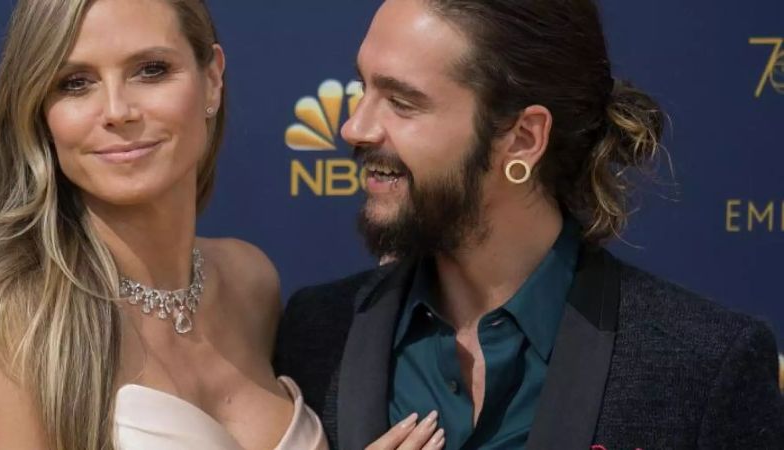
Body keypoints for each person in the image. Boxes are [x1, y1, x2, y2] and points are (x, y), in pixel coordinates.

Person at [274, 0, 784, 449]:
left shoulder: (701, 366)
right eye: (362, 88)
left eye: (402, 103)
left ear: (522, 138)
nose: (354, 127)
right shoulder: (316, 331)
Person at [0, 0, 329, 448]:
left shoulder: (251, 281)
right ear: (41, 112)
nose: (116, 110)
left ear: (211, 81)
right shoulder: (18, 314)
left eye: (150, 70)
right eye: (75, 84)